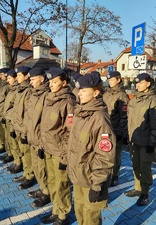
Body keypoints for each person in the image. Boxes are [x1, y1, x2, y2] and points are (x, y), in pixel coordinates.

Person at [67, 72, 116, 225]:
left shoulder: (99, 119)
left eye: (83, 90)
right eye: (79, 90)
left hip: (91, 180)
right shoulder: (81, 113)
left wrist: (97, 185)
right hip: (78, 176)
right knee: (80, 213)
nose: (79, 94)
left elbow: (105, 156)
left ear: (95, 93)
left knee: (91, 219)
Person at [40, 68, 75, 225]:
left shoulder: (68, 102)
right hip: (48, 148)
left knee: (61, 184)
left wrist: (65, 156)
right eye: (50, 81)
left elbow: (70, 132)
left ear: (64, 83)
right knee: (52, 182)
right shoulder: (49, 98)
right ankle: (56, 209)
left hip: (59, 151)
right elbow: (44, 125)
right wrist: (42, 144)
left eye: (55, 81)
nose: (51, 84)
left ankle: (63, 215)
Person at [124, 73, 156, 206]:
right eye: (137, 83)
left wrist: (153, 142)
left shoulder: (154, 100)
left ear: (148, 83)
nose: (138, 85)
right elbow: (129, 119)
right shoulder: (134, 99)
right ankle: (138, 188)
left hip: (147, 142)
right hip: (134, 140)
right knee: (135, 165)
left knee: (145, 167)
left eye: (141, 82)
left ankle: (145, 193)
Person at [24, 67, 51, 207]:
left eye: (33, 79)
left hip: (40, 141)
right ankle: (42, 188)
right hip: (32, 138)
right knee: (36, 166)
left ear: (42, 78)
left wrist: (41, 143)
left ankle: (47, 193)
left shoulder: (47, 95)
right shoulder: (34, 94)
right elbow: (30, 118)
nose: (31, 82)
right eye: (30, 79)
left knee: (42, 168)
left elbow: (45, 124)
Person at [103, 71, 129, 186]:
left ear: (118, 80)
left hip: (116, 129)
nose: (110, 82)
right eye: (109, 80)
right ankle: (107, 174)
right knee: (105, 153)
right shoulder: (106, 93)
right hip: (105, 128)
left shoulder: (122, 96)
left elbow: (124, 116)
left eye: (112, 80)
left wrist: (122, 132)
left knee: (115, 155)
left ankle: (115, 175)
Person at [1, 69, 18, 163]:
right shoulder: (11, 89)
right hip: (8, 118)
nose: (7, 80)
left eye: (9, 78)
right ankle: (11, 155)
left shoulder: (16, 91)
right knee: (10, 140)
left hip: (13, 121)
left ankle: (18, 162)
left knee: (15, 143)